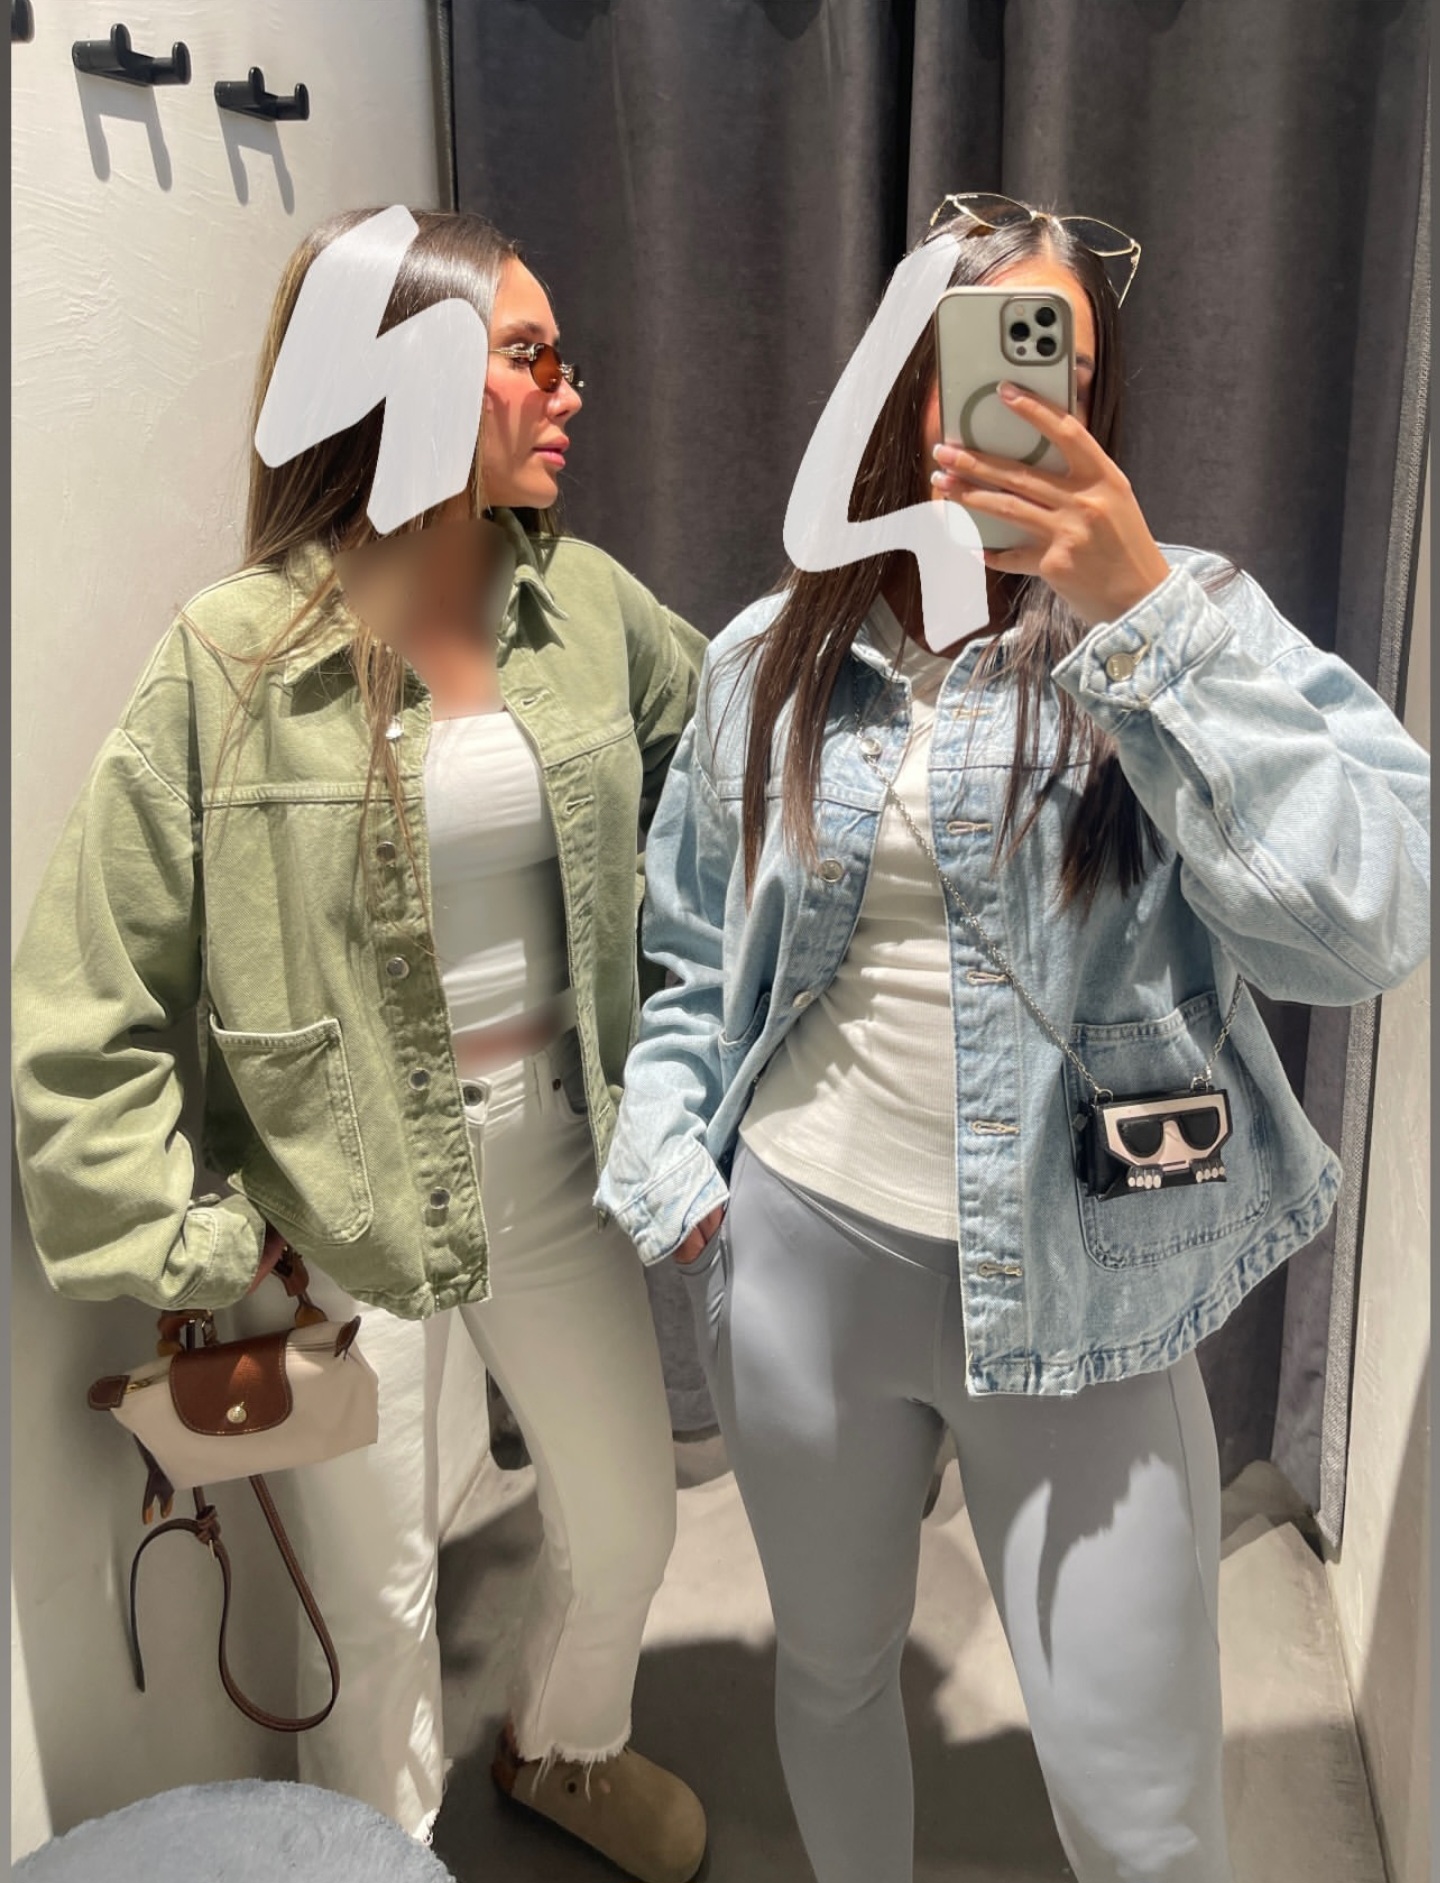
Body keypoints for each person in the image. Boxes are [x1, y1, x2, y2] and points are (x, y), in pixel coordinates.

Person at [595, 194, 1431, 1883]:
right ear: (904, 385)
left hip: (1087, 1296)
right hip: (800, 1258)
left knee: (1142, 1816)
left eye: (1064, 367)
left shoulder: (1192, 619)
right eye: (982, 358)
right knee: (833, 1675)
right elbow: (687, 946)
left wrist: (1140, 618)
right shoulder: (771, 655)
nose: (1024, 399)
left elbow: (1365, 925)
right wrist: (672, 1152)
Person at [12, 208, 710, 1883]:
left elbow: (733, 792)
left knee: (630, 1518)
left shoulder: (589, 610)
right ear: (413, 375)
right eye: (531, 355)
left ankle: (563, 1745)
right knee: (378, 1609)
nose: (572, 389)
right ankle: (377, 1854)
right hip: (344, 1217)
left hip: (556, 1167)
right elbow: (84, 1005)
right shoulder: (231, 660)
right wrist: (202, 1237)